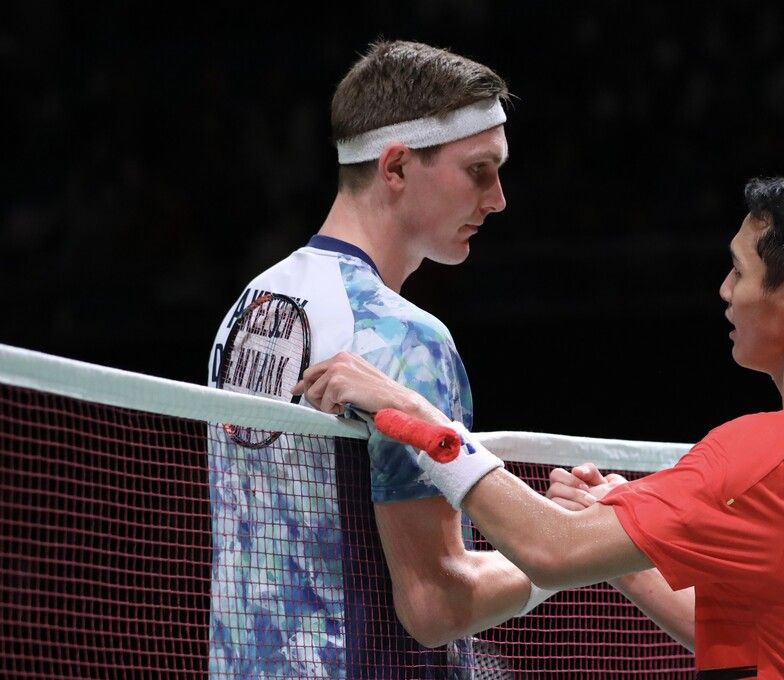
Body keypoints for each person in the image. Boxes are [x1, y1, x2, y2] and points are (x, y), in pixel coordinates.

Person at [296, 172, 784, 678]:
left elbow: (551, 549)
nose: (724, 290)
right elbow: (756, 634)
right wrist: (623, 548)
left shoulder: (764, 456)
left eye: (739, 271)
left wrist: (420, 419)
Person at [206, 40, 553, 679]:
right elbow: (435, 602)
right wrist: (572, 554)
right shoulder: (404, 340)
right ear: (395, 167)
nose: (498, 198)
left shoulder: (250, 308)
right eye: (479, 170)